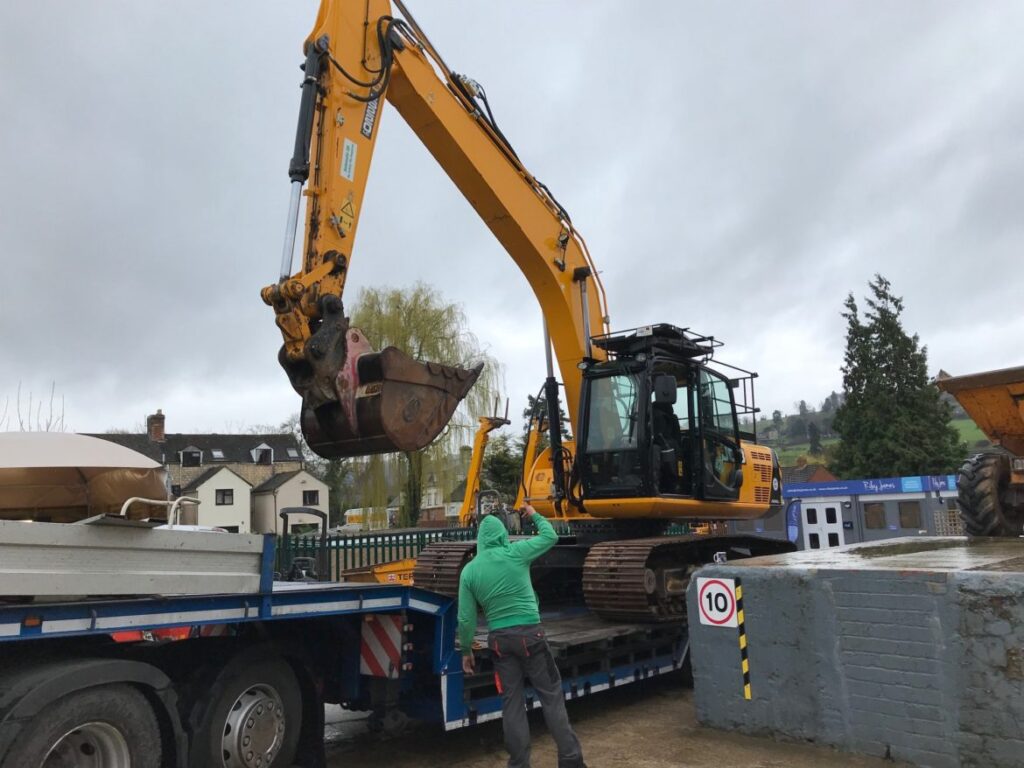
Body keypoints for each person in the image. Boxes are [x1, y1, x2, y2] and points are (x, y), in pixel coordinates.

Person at [458, 504, 586, 768]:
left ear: (480, 540)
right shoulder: (515, 552)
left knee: (512, 704)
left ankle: (519, 764)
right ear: (502, 534)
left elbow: (466, 618)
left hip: (500, 643)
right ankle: (571, 760)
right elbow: (550, 536)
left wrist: (467, 652)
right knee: (551, 697)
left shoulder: (470, 571)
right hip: (531, 636)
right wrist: (533, 513)